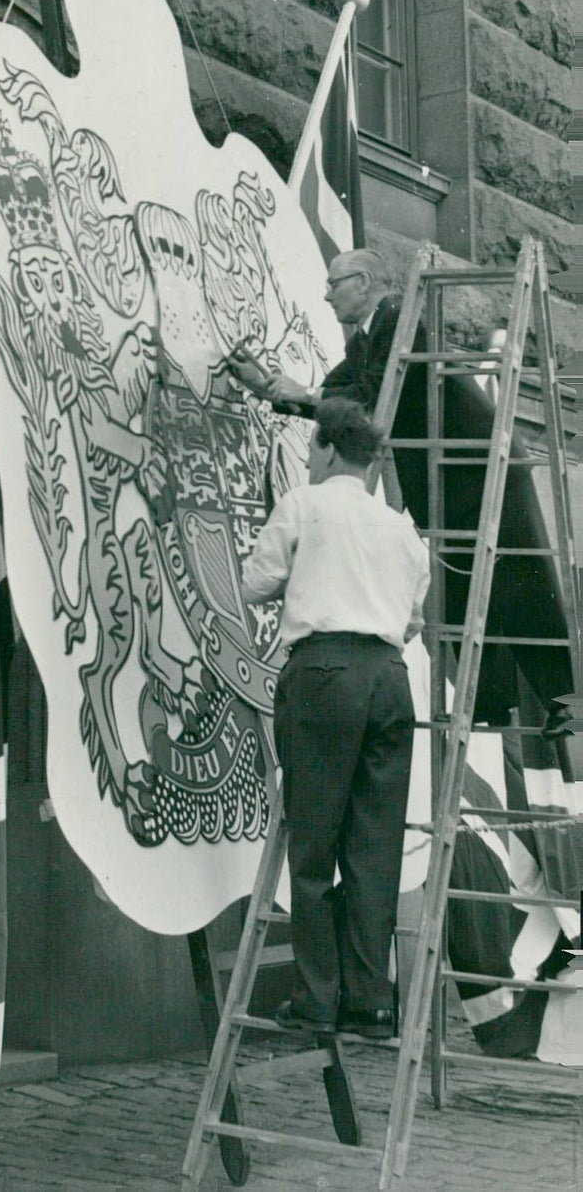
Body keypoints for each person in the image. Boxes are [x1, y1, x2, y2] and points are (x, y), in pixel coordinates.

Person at [252, 248, 573, 726]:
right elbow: (339, 400)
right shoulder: (367, 339)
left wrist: (304, 393)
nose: (326, 295)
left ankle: (569, 703)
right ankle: (490, 703)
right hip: (453, 477)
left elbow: (373, 395)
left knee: (522, 583)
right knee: (467, 594)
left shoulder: (399, 323)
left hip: (485, 465)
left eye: (334, 283)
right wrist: (274, 389)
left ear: (363, 282)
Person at [241, 397, 430, 1042]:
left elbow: (255, 585)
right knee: (375, 848)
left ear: (324, 448)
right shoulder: (402, 529)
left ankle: (319, 998)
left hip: (324, 675)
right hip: (388, 681)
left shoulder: (304, 503)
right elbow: (411, 622)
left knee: (315, 844)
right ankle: (371, 1002)